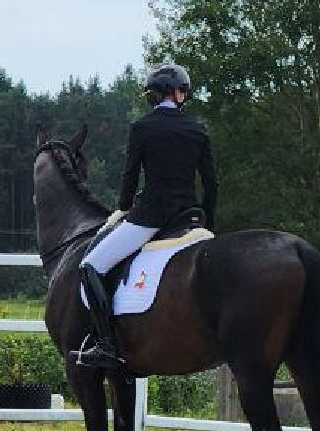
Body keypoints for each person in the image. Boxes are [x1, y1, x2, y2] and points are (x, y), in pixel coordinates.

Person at [74, 64, 218, 370]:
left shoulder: (142, 128)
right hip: (189, 219)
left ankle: (105, 345)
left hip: (151, 217)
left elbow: (130, 176)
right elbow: (211, 182)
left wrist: (122, 209)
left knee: (91, 266)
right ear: (177, 93)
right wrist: (209, 221)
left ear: (156, 94)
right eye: (183, 92)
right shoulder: (197, 129)